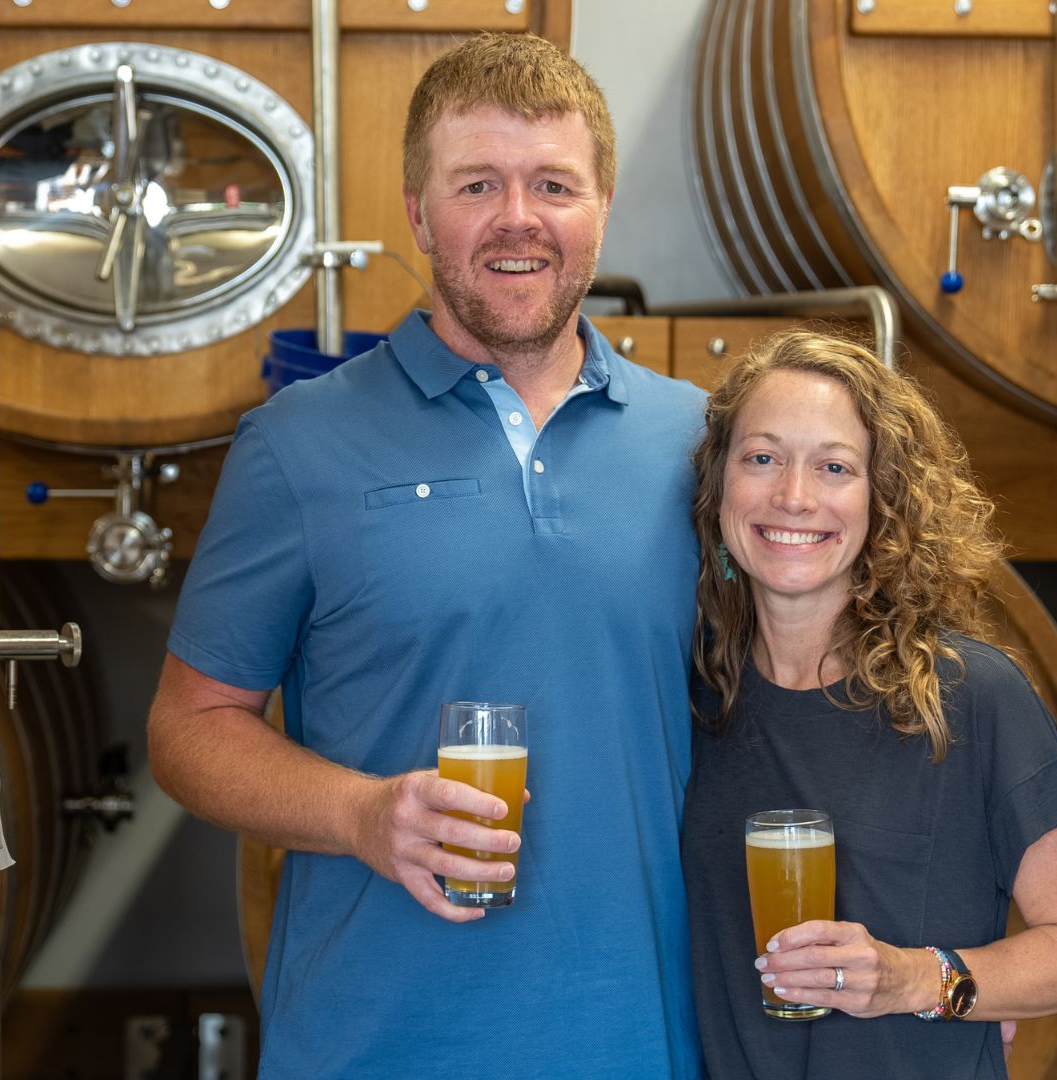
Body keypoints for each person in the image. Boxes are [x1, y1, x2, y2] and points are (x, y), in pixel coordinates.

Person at [148, 34, 705, 1077]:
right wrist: (361, 815)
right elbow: (189, 731)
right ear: (416, 209)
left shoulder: (702, 445)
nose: (518, 219)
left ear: (603, 203)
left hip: (647, 1038)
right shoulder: (299, 442)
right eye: (476, 184)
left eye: (554, 184)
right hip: (379, 1041)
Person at [680, 330, 1057, 1078]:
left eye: (834, 466)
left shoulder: (969, 696)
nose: (794, 495)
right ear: (718, 486)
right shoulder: (691, 698)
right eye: (762, 458)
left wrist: (917, 978)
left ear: (881, 499)